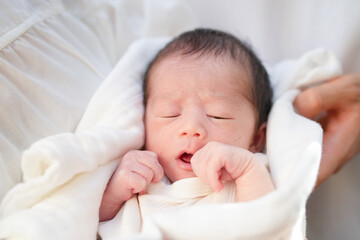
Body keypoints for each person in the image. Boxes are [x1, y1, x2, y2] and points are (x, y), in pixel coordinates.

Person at [99, 28, 275, 221]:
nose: (191, 127)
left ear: (257, 139)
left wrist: (247, 169)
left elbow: (270, 227)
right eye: (170, 114)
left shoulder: (249, 176)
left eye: (217, 115)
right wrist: (112, 195)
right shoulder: (141, 181)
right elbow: (86, 225)